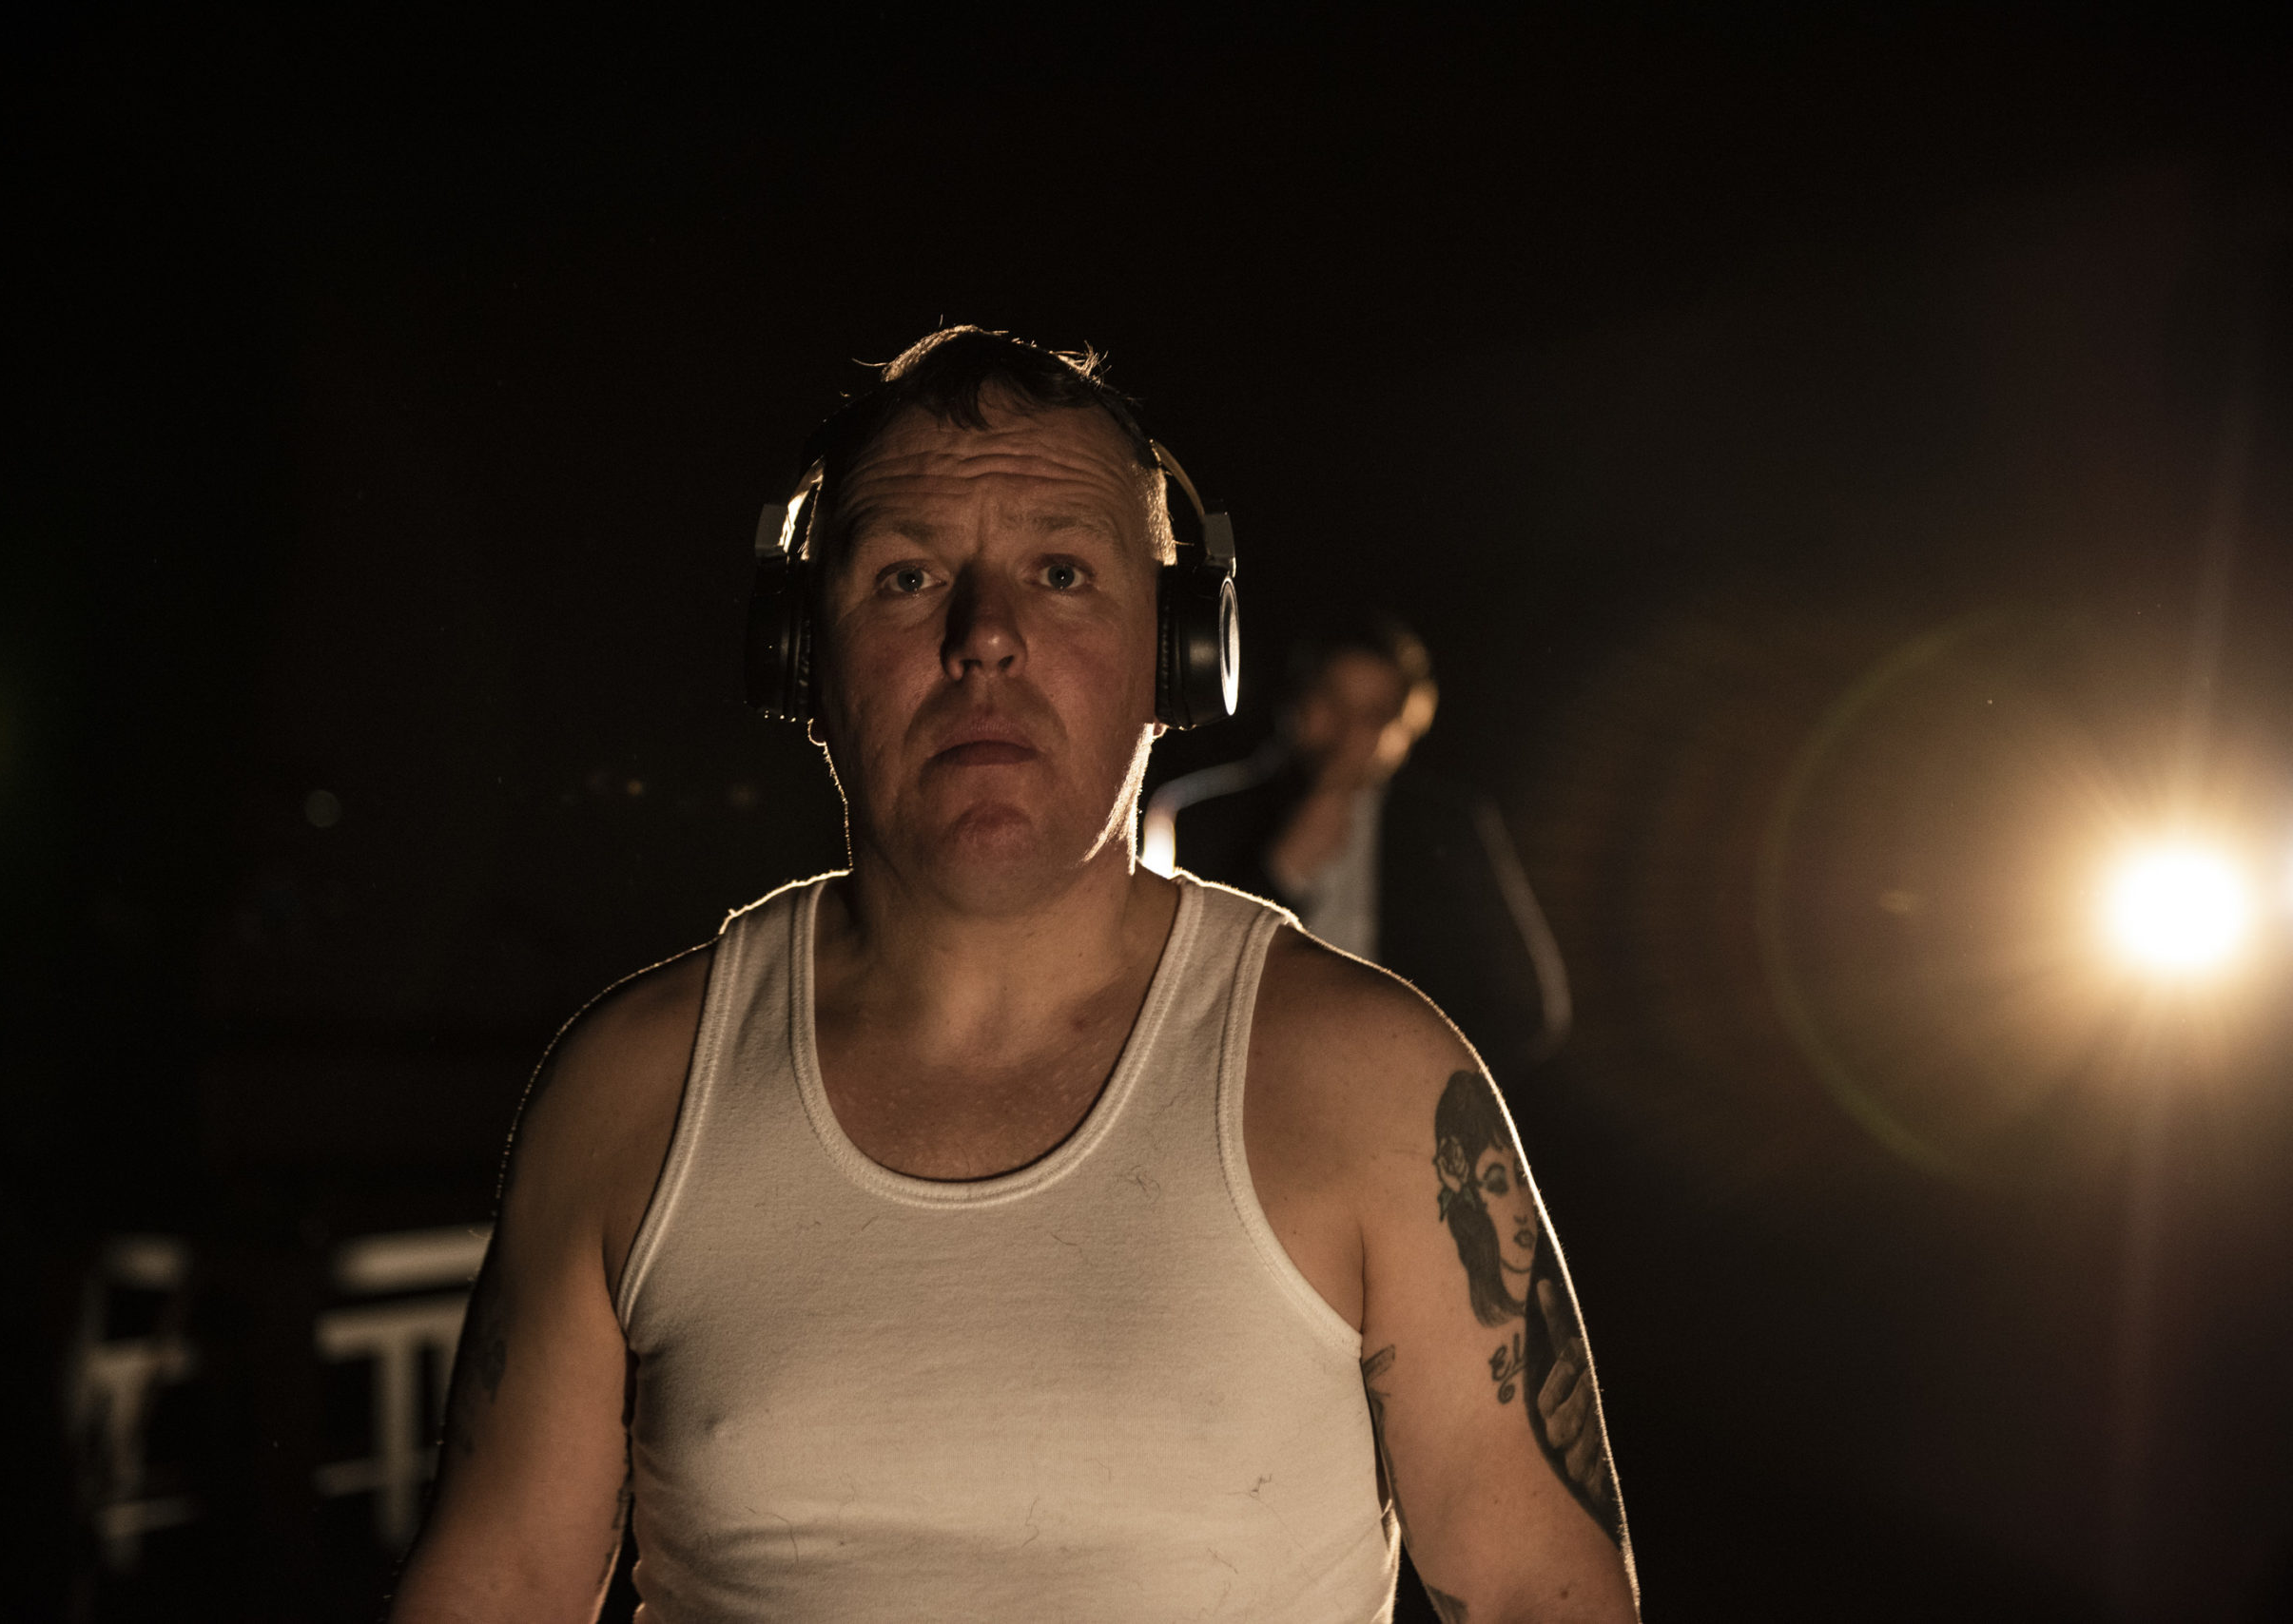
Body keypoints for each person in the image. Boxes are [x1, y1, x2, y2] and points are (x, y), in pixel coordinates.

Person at [388, 327, 1635, 1622]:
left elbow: (1545, 1595)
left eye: (1060, 571)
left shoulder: (1373, 1083)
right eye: (909, 575)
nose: (986, 637)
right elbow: (499, 1585)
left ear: (1178, 657)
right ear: (801, 658)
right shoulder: (629, 1092)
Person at [1144, 615, 1570, 1082]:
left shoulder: (1447, 826)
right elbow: (1173, 996)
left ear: (1407, 728)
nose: (1349, 732)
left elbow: (1527, 1008)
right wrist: (1281, 873)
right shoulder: (1196, 814)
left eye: (1373, 715)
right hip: (1248, 1094)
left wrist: (1431, 1083)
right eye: (1333, 701)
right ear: (1297, 702)